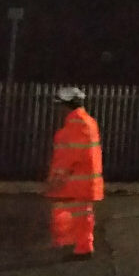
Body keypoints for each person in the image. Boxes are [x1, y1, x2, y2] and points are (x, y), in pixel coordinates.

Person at [46, 86, 103, 261]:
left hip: (75, 181)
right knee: (78, 214)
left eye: (60, 105)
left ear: (67, 105)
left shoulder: (76, 124)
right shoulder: (86, 121)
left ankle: (82, 248)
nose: (59, 110)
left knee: (78, 214)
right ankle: (76, 245)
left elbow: (70, 156)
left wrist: (57, 179)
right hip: (80, 180)